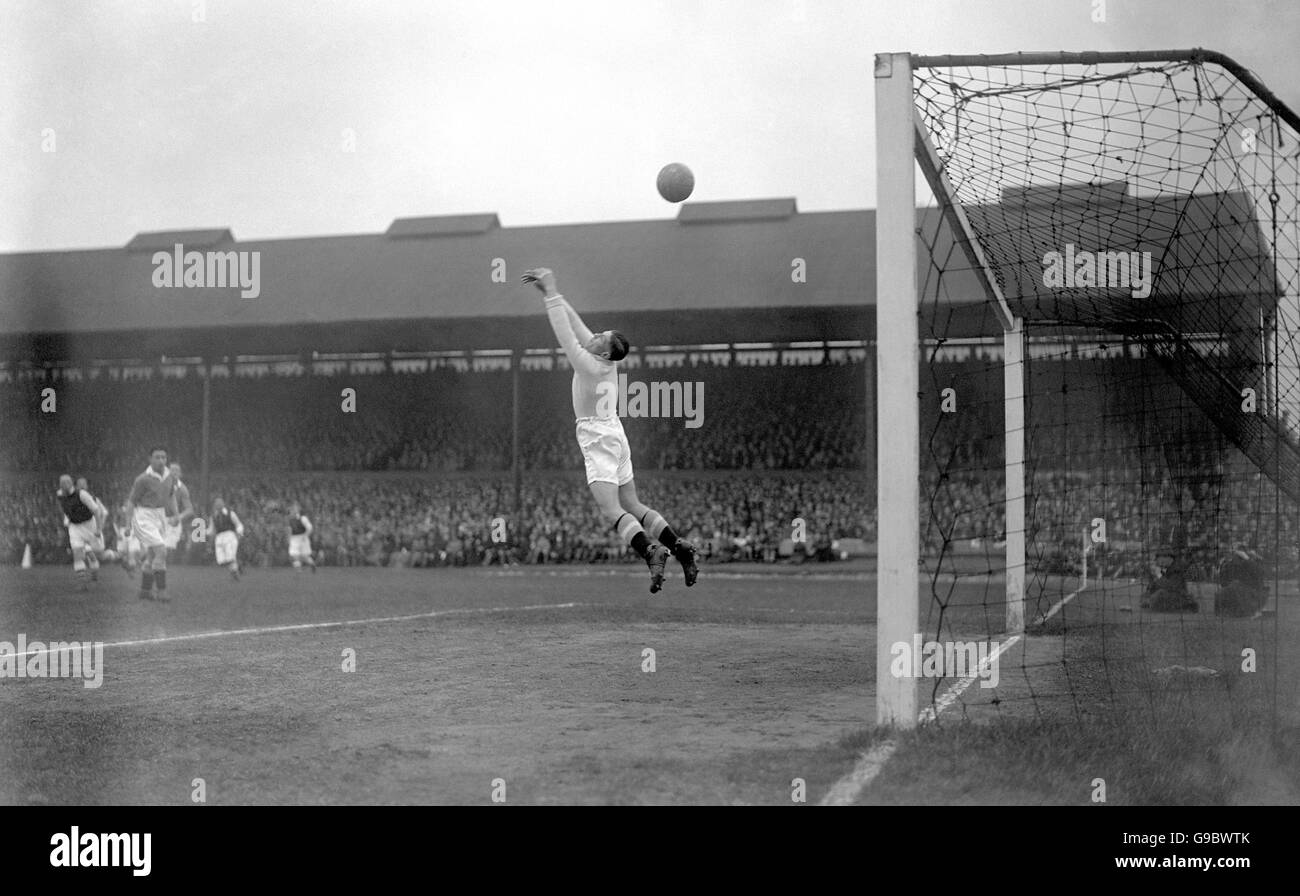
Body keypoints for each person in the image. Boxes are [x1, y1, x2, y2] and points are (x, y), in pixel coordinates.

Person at [521, 266, 698, 593]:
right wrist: (552, 293)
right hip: (615, 432)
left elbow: (566, 334)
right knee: (633, 503)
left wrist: (552, 294)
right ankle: (679, 547)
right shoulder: (606, 359)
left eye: (601, 337)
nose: (596, 335)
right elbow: (576, 325)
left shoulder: (590, 364)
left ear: (603, 351)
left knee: (611, 508)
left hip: (598, 436)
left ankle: (650, 551)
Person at [124, 447, 178, 601]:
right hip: (144, 516)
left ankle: (145, 591)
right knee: (161, 551)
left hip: (160, 516)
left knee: (152, 555)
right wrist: (128, 525)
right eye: (157, 457)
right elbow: (131, 502)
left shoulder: (170, 476)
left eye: (163, 457)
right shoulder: (143, 479)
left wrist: (175, 514)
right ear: (150, 459)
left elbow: (172, 495)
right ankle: (162, 591)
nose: (161, 460)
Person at [55, 474, 106, 591]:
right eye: (62, 483)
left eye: (67, 482)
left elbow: (96, 510)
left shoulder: (82, 494)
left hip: (89, 525)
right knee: (77, 554)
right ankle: (82, 583)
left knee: (98, 554)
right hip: (75, 527)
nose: (64, 485)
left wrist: (98, 529)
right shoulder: (59, 495)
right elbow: (62, 507)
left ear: (71, 483)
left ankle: (95, 577)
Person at [210, 496, 246, 580]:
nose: (218, 505)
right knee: (221, 562)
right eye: (216, 504)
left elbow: (239, 524)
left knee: (230, 557)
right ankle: (238, 566)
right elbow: (211, 530)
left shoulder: (230, 513)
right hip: (219, 538)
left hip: (229, 536)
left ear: (223, 504)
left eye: (219, 503)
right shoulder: (213, 516)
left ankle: (235, 573)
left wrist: (239, 533)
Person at [287, 502, 317, 572]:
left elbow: (310, 528)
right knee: (303, 556)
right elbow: (290, 530)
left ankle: (299, 571)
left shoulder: (302, 518)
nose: (292, 510)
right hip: (298, 538)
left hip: (299, 538)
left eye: (294, 509)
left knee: (295, 555)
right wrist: (289, 538)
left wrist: (305, 535)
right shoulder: (291, 519)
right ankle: (312, 564)